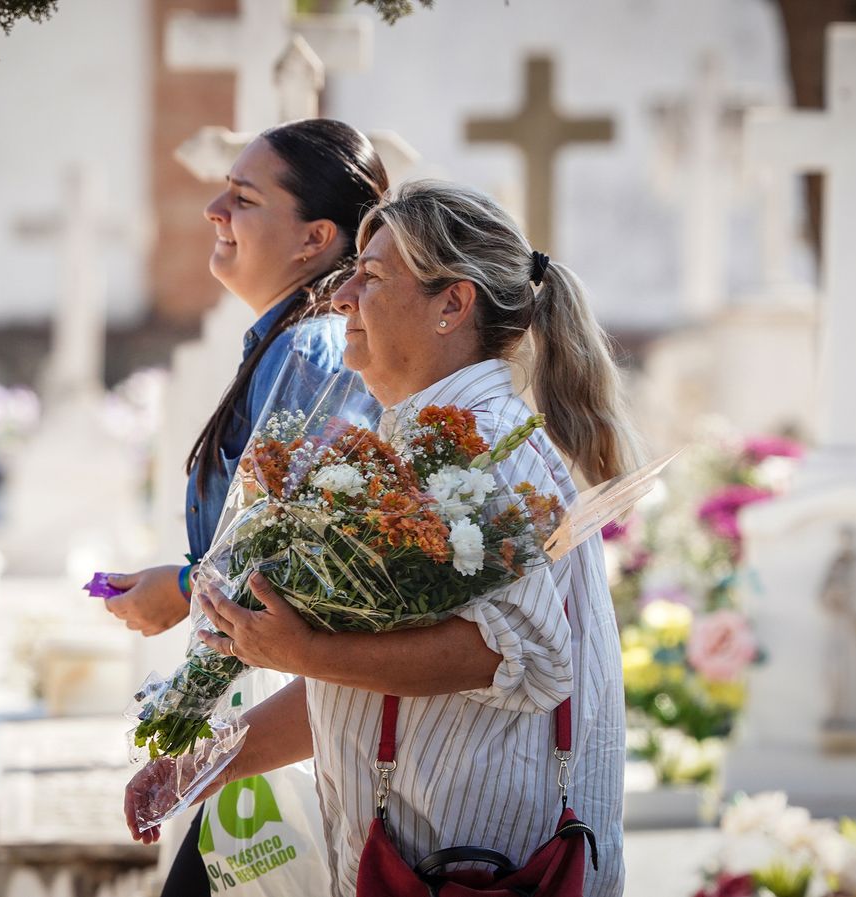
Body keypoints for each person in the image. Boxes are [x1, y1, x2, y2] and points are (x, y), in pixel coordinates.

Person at [125, 180, 636, 897]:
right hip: (423, 866)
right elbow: (356, 675)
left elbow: (518, 649)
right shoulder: (428, 441)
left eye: (371, 276)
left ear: (451, 305)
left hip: (480, 871)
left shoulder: (483, 445)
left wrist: (303, 649)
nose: (341, 297)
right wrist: (205, 761)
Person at [104, 118, 389, 896]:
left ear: (314, 238)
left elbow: (303, 554)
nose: (214, 211)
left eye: (244, 197)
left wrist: (186, 584)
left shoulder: (311, 350)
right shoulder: (284, 342)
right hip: (258, 696)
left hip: (286, 706)